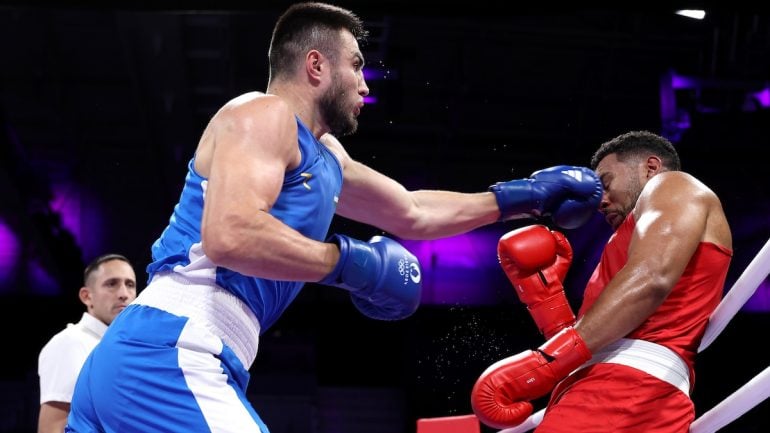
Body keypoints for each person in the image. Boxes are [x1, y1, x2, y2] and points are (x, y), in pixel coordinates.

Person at [66, 3, 602, 432]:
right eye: (356, 65)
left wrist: (523, 196)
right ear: (317, 65)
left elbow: (411, 213)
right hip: (172, 350)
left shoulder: (324, 157)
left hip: (162, 357)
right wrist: (350, 263)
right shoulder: (262, 113)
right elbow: (230, 234)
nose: (366, 84)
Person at [471, 130, 733, 432]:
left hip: (624, 391)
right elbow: (606, 335)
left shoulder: (673, 184)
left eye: (606, 184)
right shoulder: (627, 243)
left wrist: (544, 362)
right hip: (610, 392)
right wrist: (548, 302)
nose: (600, 201)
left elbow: (652, 278)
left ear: (650, 167)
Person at [37, 253, 137, 433]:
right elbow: (52, 427)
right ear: (87, 296)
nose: (124, 294)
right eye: (112, 284)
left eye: (130, 285)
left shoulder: (130, 348)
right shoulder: (69, 343)